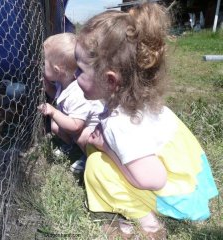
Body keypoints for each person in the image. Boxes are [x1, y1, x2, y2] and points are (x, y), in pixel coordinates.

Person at [75, 3, 219, 239]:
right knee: (96, 149)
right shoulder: (138, 102)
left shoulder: (120, 123)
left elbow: (153, 178)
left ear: (111, 81)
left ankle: (147, 222)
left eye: (79, 70)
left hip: (179, 198)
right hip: (193, 185)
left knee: (96, 167)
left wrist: (107, 149)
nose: (74, 76)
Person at [38, 32, 104, 173]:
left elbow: (75, 126)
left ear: (57, 69)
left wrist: (53, 111)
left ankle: (90, 157)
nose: (41, 65)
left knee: (81, 136)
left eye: (44, 63)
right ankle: (72, 146)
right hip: (77, 124)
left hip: (95, 135)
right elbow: (56, 94)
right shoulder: (66, 82)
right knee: (55, 125)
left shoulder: (78, 93)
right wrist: (47, 86)